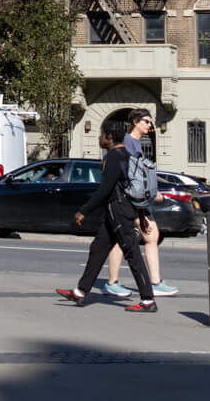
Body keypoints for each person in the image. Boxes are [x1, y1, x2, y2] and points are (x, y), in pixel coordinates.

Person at [56, 112, 158, 312]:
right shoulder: (125, 156)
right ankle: (81, 291)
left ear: (110, 137)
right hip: (119, 210)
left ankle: (148, 300)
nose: (99, 138)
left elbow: (105, 189)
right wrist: (141, 213)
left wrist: (83, 211)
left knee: (133, 253)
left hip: (118, 210)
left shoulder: (113, 156)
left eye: (102, 135)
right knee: (98, 249)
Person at [102, 120, 177, 298]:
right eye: (146, 121)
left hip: (137, 201)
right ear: (135, 122)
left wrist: (150, 192)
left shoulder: (136, 144)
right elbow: (130, 174)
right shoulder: (128, 142)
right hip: (130, 200)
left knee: (145, 236)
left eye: (150, 121)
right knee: (126, 239)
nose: (149, 124)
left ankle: (152, 282)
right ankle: (114, 283)